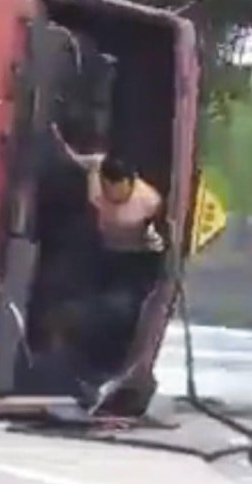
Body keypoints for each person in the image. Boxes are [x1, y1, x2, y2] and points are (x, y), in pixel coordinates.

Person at [48, 122, 167, 371]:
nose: (110, 194)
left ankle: (97, 354)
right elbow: (73, 159)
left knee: (117, 306)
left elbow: (157, 238)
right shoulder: (96, 167)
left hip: (129, 256)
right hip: (99, 245)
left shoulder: (148, 201)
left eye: (117, 189)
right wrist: (56, 137)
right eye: (107, 187)